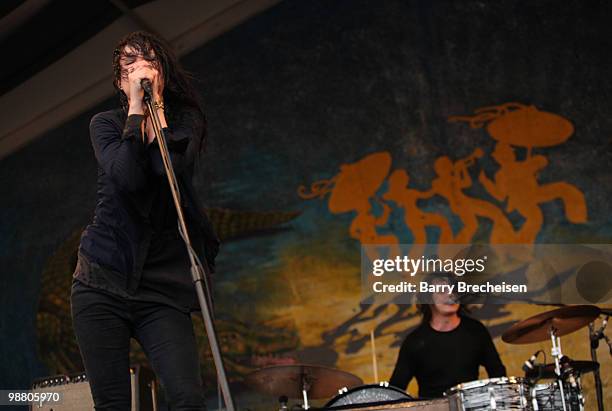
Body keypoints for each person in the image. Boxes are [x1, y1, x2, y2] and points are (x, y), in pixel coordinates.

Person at [70, 31, 219, 410]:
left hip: (161, 287)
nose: (140, 71)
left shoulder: (187, 121)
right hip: (102, 279)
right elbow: (127, 177)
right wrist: (137, 112)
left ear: (163, 73)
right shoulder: (105, 124)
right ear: (121, 82)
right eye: (130, 66)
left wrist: (159, 115)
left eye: (149, 62)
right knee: (113, 402)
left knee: (187, 397)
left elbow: (163, 167)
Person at [389, 273, 506, 399]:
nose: (450, 295)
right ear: (428, 298)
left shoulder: (475, 330)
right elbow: (396, 389)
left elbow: (497, 373)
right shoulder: (415, 342)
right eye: (441, 291)